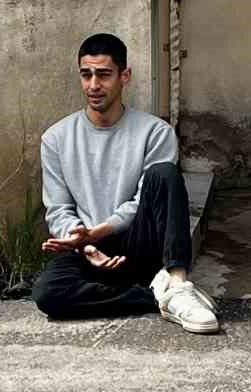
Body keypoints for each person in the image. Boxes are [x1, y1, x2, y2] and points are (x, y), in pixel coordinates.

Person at [31, 33, 219, 334]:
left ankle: (177, 281)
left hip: (138, 242)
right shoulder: (55, 138)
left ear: (124, 76)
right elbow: (58, 209)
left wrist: (100, 230)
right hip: (88, 248)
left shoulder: (155, 132)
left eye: (104, 75)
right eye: (86, 75)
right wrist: (86, 244)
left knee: (164, 174)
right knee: (49, 293)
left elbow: (144, 199)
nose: (94, 85)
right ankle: (157, 296)